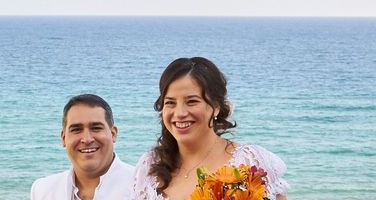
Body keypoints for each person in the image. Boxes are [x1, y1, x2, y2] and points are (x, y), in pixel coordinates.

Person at [130, 57, 289, 200]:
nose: (180, 113)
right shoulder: (148, 166)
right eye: (170, 102)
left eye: (192, 101)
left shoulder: (251, 161)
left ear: (216, 107)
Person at [31, 94, 134, 200]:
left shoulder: (143, 186)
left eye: (96, 128)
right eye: (76, 129)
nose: (87, 139)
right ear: (63, 138)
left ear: (113, 134)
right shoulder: (42, 190)